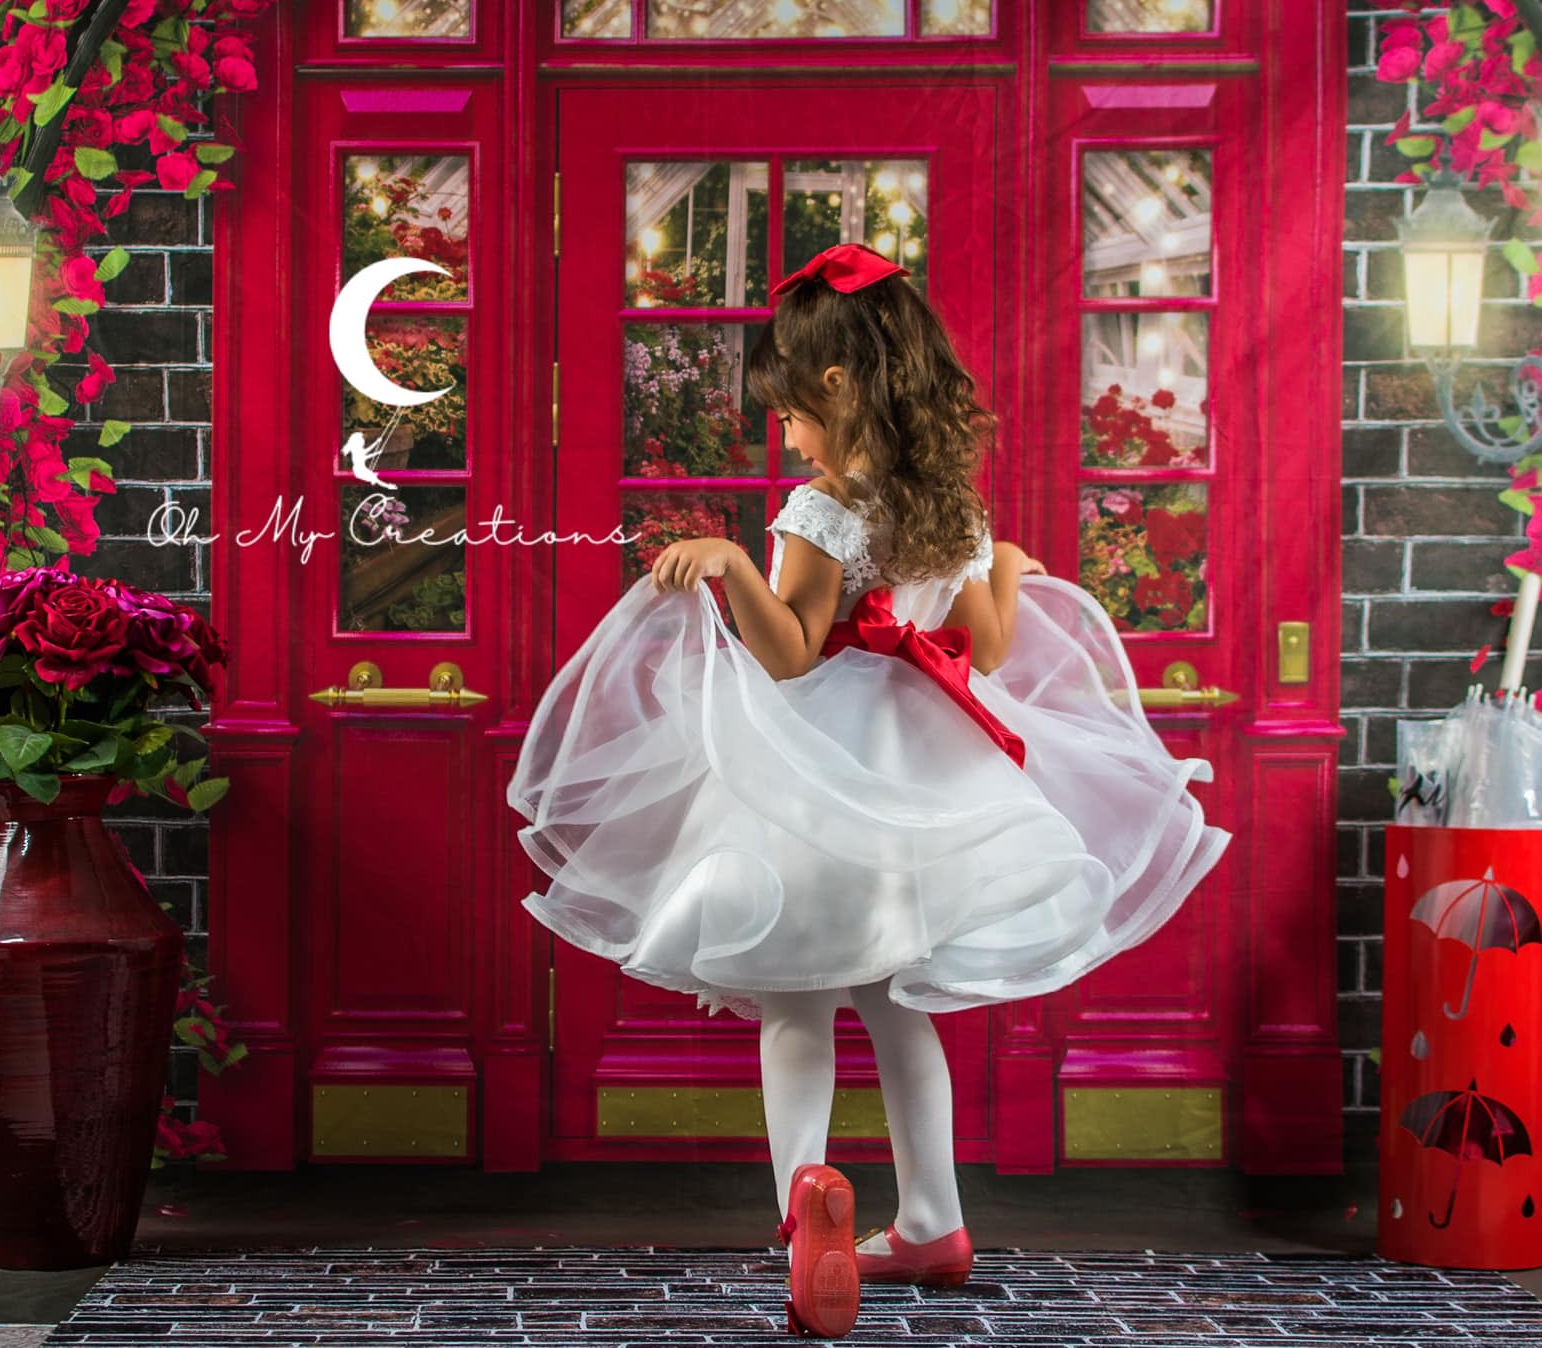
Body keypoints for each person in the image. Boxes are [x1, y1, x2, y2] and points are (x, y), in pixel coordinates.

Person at [506, 242, 1230, 1338]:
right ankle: (933, 1219)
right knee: (897, 1003)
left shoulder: (817, 508)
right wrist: (1002, 566)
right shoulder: (952, 506)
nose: (788, 436)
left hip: (821, 769)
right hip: (921, 768)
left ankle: (806, 1207)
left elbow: (792, 653)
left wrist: (731, 564)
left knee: (795, 998)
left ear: (838, 387)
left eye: (792, 413)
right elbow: (984, 650)